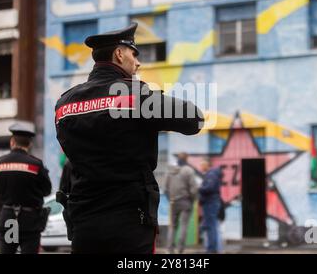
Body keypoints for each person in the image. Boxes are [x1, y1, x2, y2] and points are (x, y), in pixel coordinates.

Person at [54, 23, 204, 254]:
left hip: (83, 222)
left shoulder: (65, 103)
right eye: (134, 54)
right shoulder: (135, 95)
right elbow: (194, 119)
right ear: (119, 53)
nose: (138, 62)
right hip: (129, 222)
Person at [0, 122, 52, 254]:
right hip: (29, 221)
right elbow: (47, 190)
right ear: (29, 144)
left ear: (12, 141)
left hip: (9, 219)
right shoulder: (36, 165)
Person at [164, 152, 198, 254]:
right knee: (183, 226)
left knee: (172, 226)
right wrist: (192, 200)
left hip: (173, 202)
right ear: (186, 159)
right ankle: (180, 250)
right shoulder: (188, 170)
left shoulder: (169, 171)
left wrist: (171, 199)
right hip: (186, 201)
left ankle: (169, 249)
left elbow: (165, 189)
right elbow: (194, 189)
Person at [198, 159, 222, 253]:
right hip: (209, 202)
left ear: (206, 165)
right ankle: (212, 248)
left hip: (210, 203)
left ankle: (212, 249)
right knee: (209, 225)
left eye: (201, 165)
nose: (200, 167)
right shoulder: (211, 174)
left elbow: (210, 188)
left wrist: (199, 188)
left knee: (211, 226)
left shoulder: (211, 174)